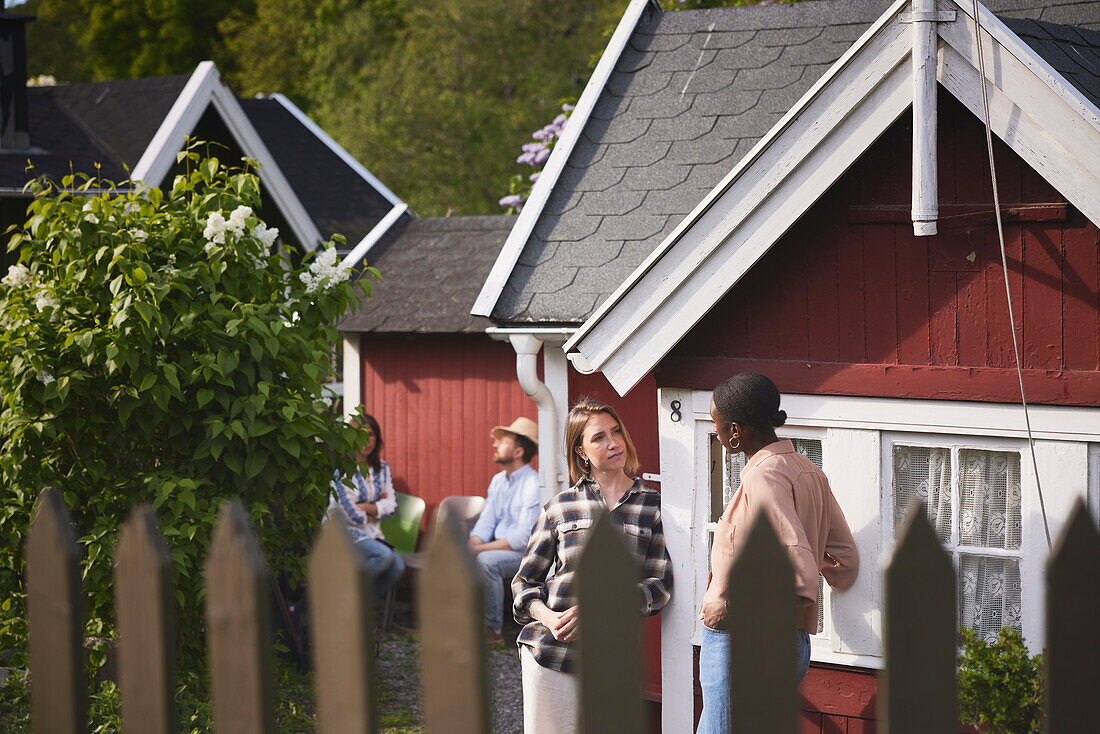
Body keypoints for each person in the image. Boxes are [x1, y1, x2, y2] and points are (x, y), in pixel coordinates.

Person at [697, 373, 859, 734]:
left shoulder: (762, 477)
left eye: (717, 425)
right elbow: (844, 562)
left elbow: (795, 560)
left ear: (735, 431)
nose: (718, 434)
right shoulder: (809, 472)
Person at [512, 398, 672, 734]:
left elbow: (659, 585)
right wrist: (549, 618)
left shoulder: (652, 506)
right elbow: (524, 582)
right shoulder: (561, 507)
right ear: (581, 452)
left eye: (616, 432)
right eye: (598, 437)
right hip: (551, 653)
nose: (614, 443)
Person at [468, 417, 542, 639]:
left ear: (518, 451)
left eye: (502, 442)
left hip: (524, 554)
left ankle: (493, 630)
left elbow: (522, 538)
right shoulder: (498, 481)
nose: (495, 445)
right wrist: (473, 542)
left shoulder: (533, 483)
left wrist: (480, 550)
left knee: (486, 562)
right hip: (499, 547)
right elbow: (486, 520)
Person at [330, 413, 406, 599]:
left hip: (372, 533)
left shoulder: (382, 468)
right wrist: (375, 511)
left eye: (371, 434)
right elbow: (349, 514)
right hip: (344, 531)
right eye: (360, 435)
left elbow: (392, 505)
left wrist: (367, 508)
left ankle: (359, 608)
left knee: (397, 567)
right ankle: (343, 599)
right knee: (383, 556)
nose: (367, 440)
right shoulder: (342, 469)